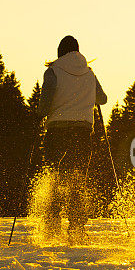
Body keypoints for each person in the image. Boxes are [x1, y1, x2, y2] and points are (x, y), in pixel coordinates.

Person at [37, 35, 107, 238]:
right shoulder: (89, 73)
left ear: (60, 52)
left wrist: (39, 115)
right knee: (77, 179)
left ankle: (51, 225)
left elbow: (46, 101)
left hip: (57, 130)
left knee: (55, 178)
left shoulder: (53, 71)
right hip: (83, 132)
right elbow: (102, 99)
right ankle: (76, 227)